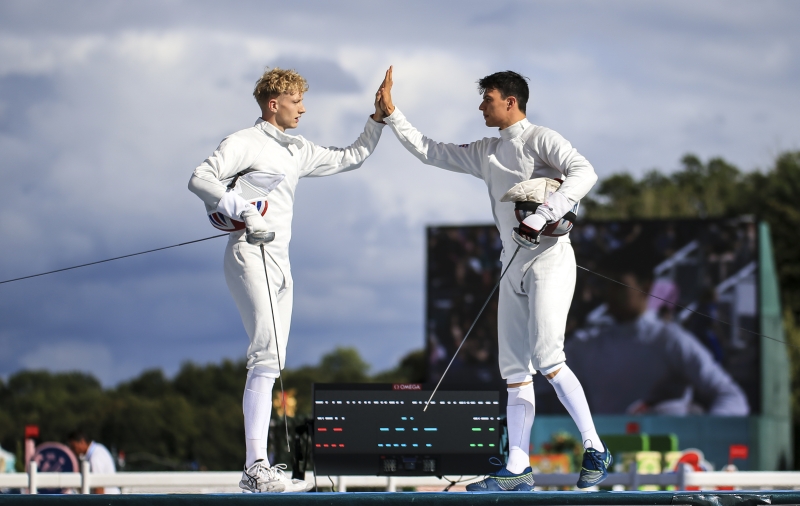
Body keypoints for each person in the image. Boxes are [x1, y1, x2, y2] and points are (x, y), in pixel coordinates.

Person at [375, 67, 610, 491]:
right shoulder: (487, 151)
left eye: (488, 98)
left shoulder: (542, 138)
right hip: (511, 265)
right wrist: (393, 115)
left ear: (510, 102)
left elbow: (585, 172)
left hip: (551, 261)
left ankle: (595, 446)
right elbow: (431, 151)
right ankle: (518, 466)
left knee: (547, 357)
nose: (481, 106)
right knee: (515, 369)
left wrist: (544, 211)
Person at [188, 67, 386, 493]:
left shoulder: (297, 148)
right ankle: (255, 467)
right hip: (248, 254)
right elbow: (200, 179)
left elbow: (351, 156)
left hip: (280, 262)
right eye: (297, 101)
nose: (304, 107)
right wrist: (244, 210)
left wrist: (377, 120)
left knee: (274, 359)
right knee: (264, 354)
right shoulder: (244, 141)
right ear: (274, 103)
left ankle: (258, 468)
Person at [565, 250, 750, 416]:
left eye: (618, 285)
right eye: (605, 285)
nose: (609, 293)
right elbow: (543, 395)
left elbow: (732, 397)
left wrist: (700, 435)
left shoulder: (670, 340)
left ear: (645, 287)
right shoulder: (585, 345)